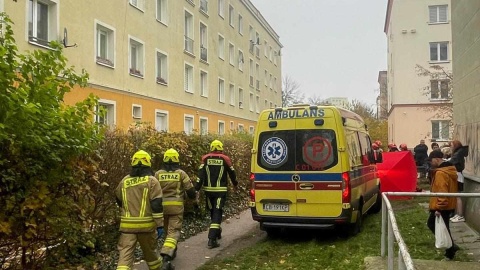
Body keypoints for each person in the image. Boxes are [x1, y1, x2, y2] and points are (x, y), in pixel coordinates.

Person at [115, 150, 164, 270]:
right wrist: (160, 225)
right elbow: (156, 205)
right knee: (151, 254)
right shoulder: (152, 181)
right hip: (146, 227)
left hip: (127, 227)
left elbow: (118, 199)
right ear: (148, 165)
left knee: (125, 256)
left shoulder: (124, 181)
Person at [155, 148, 197, 269]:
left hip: (161, 207)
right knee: (173, 232)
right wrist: (194, 201)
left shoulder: (158, 174)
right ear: (177, 160)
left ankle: (171, 251)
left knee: (167, 230)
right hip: (176, 207)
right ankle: (166, 256)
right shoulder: (181, 173)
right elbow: (190, 190)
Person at [196, 140, 238, 249]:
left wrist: (196, 189)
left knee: (212, 212)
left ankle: (217, 231)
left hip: (208, 191)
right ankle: (212, 239)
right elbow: (232, 173)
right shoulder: (225, 158)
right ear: (221, 148)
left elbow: (200, 175)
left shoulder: (205, 159)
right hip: (220, 191)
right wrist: (235, 184)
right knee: (217, 212)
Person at [426, 149, 459, 260]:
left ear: (437, 159)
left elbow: (442, 191)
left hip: (442, 205)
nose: (430, 163)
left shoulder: (441, 173)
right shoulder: (449, 170)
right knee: (444, 227)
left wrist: (439, 208)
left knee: (433, 224)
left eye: (431, 161)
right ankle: (451, 247)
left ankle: (450, 249)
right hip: (448, 204)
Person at [448, 140, 469, 223]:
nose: (451, 147)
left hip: (458, 176)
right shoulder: (458, 153)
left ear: (456, 145)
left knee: (457, 196)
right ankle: (458, 214)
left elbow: (452, 161)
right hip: (456, 175)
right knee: (456, 196)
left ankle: (460, 215)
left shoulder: (458, 154)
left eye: (452, 145)